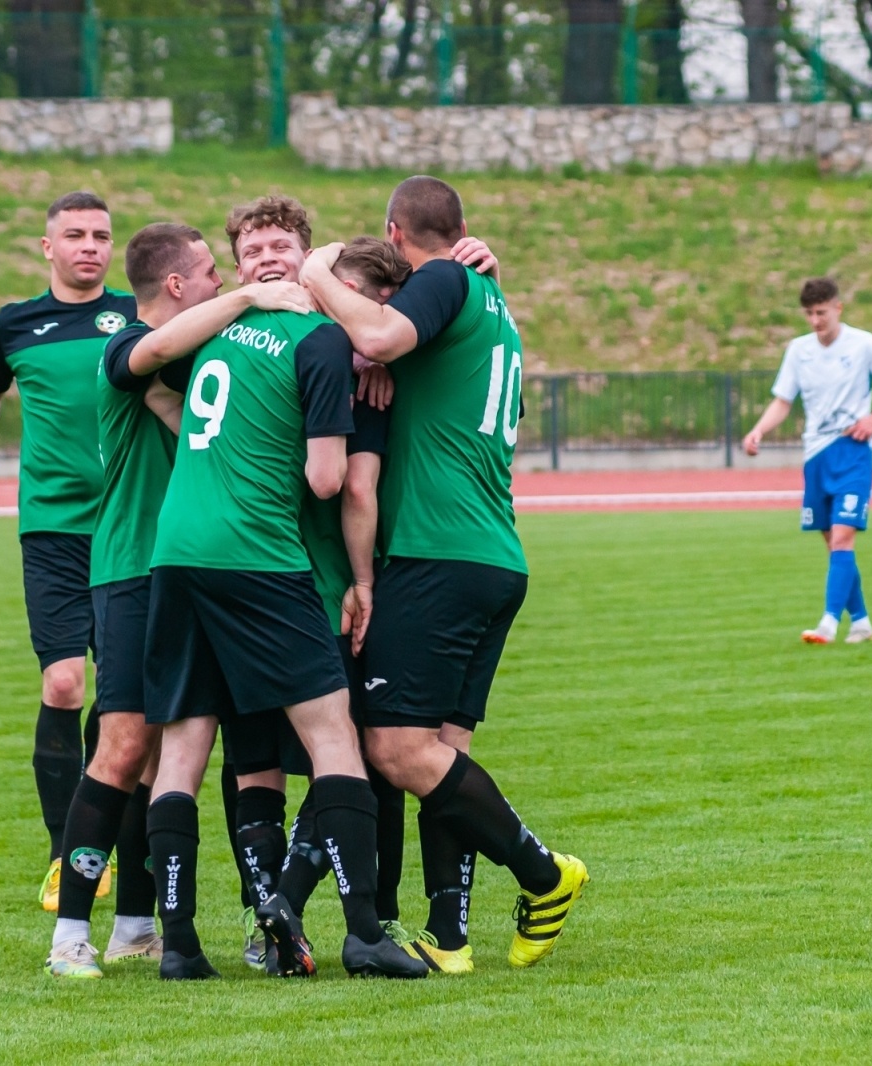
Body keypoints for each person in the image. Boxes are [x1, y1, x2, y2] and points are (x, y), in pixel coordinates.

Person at [299, 175, 588, 975]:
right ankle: (450, 936)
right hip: (492, 555)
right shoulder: (496, 309)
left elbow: (385, 337)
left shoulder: (450, 280)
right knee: (442, 758)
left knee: (394, 749)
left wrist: (319, 276)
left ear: (399, 233)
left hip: (438, 553)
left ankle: (543, 872)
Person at [138, 217, 426, 981]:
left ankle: (180, 947)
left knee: (183, 753)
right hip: (259, 556)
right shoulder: (317, 340)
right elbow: (328, 480)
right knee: (336, 740)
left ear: (306, 258)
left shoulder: (213, 331)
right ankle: (364, 932)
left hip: (175, 552)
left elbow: (156, 386)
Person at [44, 222, 313, 979]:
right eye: (210, 273)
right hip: (131, 571)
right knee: (124, 743)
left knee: (173, 753)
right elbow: (152, 356)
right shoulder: (127, 345)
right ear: (176, 286)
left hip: (195, 573)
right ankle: (70, 932)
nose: (222, 283)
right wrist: (255, 295)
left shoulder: (207, 357)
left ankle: (140, 923)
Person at [0, 191, 136, 913]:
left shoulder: (138, 315)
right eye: (76, 235)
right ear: (47, 246)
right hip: (54, 528)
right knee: (64, 684)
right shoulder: (16, 324)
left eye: (101, 235)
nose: (90, 246)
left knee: (122, 697)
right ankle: (66, 855)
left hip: (129, 525)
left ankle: (105, 833)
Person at [275, 237, 415, 946]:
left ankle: (296, 904)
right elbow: (349, 484)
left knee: (347, 751)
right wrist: (363, 582)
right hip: (330, 589)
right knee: (357, 753)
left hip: (287, 581)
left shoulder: (312, 355)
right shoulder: (330, 362)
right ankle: (346, 911)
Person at [742, 277, 872, 645]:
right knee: (833, 545)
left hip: (852, 452)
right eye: (808, 314)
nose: (815, 321)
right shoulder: (798, 350)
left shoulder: (864, 345)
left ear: (838, 308)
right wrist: (759, 430)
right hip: (816, 456)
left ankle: (827, 622)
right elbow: (783, 400)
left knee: (842, 539)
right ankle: (861, 622)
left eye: (821, 312)